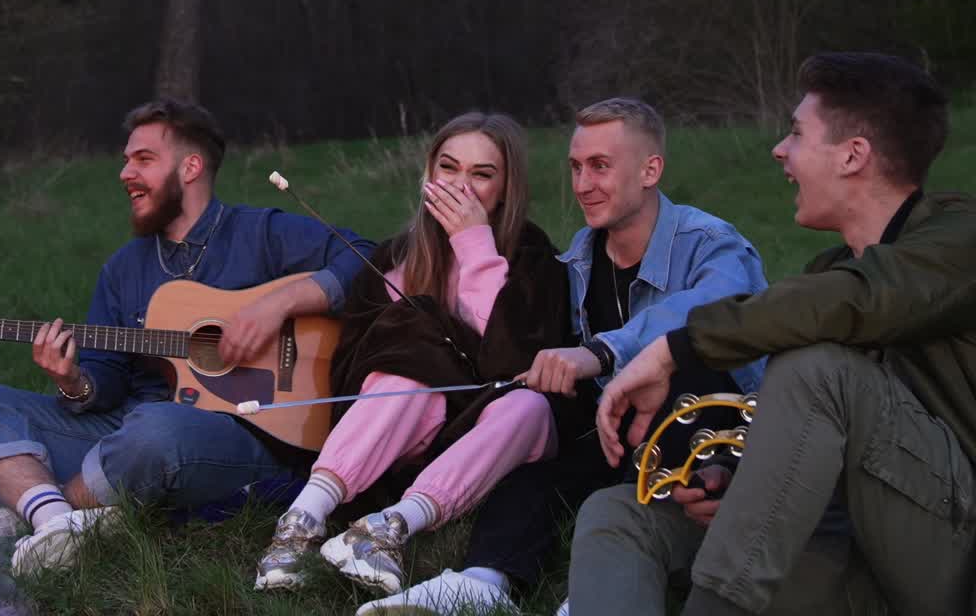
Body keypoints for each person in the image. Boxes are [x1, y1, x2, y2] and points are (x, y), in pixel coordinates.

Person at [582, 52, 973, 616]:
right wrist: (737, 477)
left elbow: (862, 299)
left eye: (795, 133)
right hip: (845, 549)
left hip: (948, 549)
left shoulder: (958, 239)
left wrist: (676, 346)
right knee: (616, 513)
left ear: (853, 155)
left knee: (819, 371)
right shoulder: (829, 272)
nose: (779, 150)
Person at [0, 97, 375, 576]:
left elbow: (364, 257)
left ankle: (24, 509)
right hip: (127, 427)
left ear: (191, 166)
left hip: (240, 431)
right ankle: (55, 520)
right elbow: (106, 378)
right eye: (125, 160)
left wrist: (277, 305)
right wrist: (74, 380)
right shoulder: (124, 269)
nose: (124, 173)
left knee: (157, 429)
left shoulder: (260, 232)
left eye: (143, 159)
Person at [362, 97, 767, 616]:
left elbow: (712, 310)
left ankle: (604, 583)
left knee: (684, 373)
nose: (582, 184)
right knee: (541, 432)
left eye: (600, 167)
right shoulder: (580, 255)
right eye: (576, 167)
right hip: (615, 427)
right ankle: (485, 579)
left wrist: (599, 352)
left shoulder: (709, 241)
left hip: (716, 430)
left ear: (651, 169)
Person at [254, 111, 581, 598]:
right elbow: (352, 374)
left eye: (482, 174)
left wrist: (475, 249)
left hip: (483, 442)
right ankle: (300, 523)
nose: (460, 187)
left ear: (507, 188)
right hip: (397, 433)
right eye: (449, 168)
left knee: (530, 405)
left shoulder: (535, 261)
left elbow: (514, 367)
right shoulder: (392, 259)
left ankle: (387, 530)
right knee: (409, 375)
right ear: (429, 174)